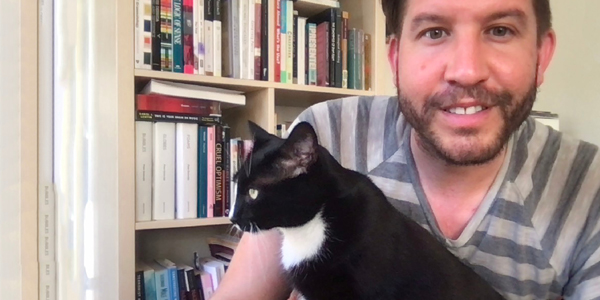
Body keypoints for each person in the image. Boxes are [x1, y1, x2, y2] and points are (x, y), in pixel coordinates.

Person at [213, 0, 600, 299]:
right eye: (434, 32)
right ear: (396, 59)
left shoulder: (590, 187)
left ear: (541, 55)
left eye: (500, 30)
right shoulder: (331, 133)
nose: (466, 70)